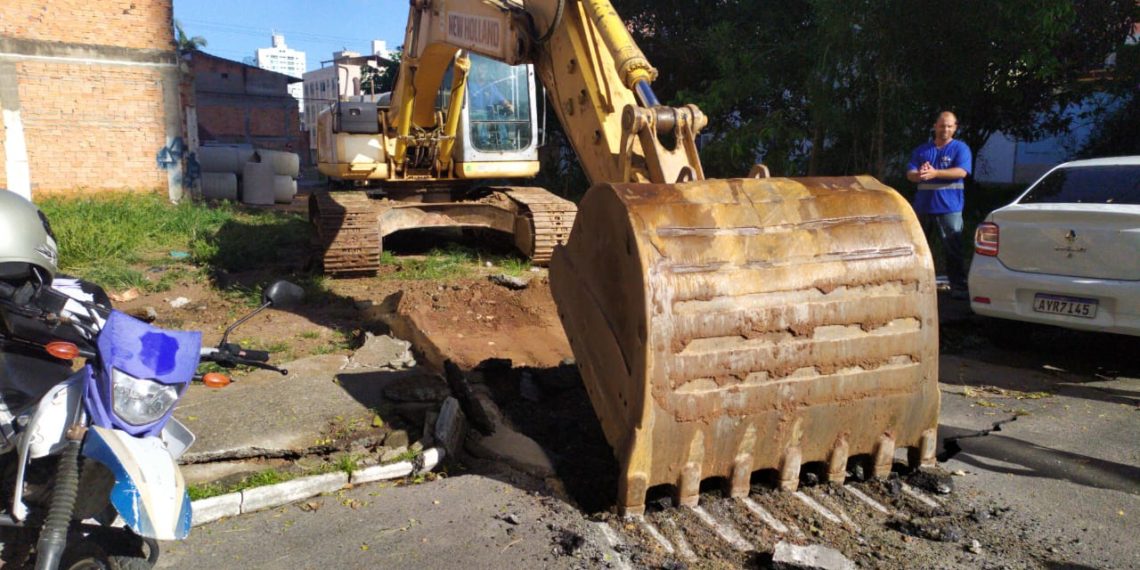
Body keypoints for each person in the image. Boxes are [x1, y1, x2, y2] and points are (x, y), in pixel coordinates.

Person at [907, 111, 972, 300]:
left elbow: (962, 171)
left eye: (950, 126)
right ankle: (916, 285)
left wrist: (936, 173)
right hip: (923, 208)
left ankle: (958, 287)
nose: (946, 129)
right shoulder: (922, 150)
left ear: (955, 128)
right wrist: (918, 174)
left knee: (953, 249)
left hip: (949, 208)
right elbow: (910, 173)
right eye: (942, 125)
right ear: (935, 126)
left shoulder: (960, 148)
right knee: (918, 249)